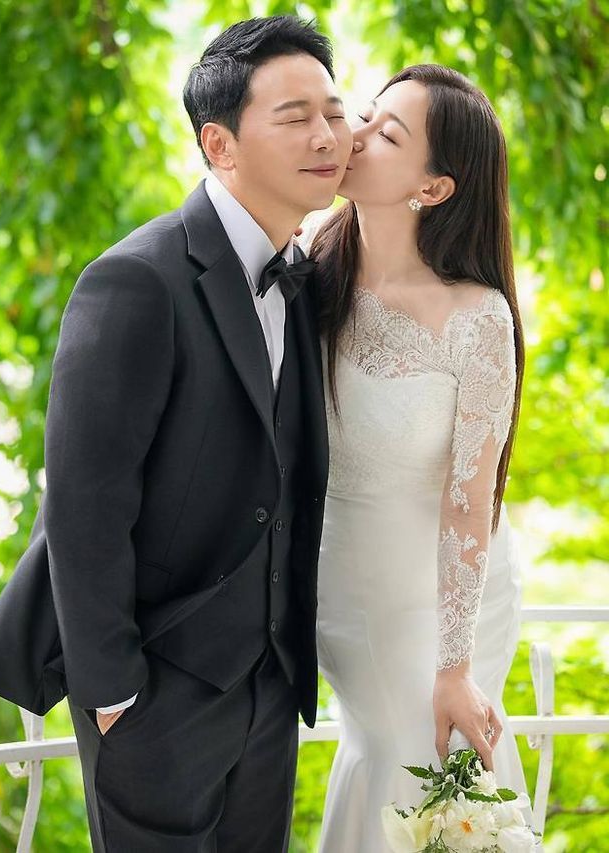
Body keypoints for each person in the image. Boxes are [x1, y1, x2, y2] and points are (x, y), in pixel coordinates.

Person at [0, 16, 352, 852]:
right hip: (156, 698)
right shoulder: (135, 280)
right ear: (220, 144)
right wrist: (115, 695)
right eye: (295, 117)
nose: (328, 136)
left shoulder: (304, 280)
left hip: (269, 689)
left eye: (334, 111)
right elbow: (84, 506)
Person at [308, 64, 529, 852]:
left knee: (432, 768)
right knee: (384, 752)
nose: (355, 134)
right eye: (367, 114)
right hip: (347, 581)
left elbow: (470, 499)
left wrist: (454, 665)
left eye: (387, 134)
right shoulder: (309, 271)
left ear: (432, 188)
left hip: (451, 596)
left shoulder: (478, 317)